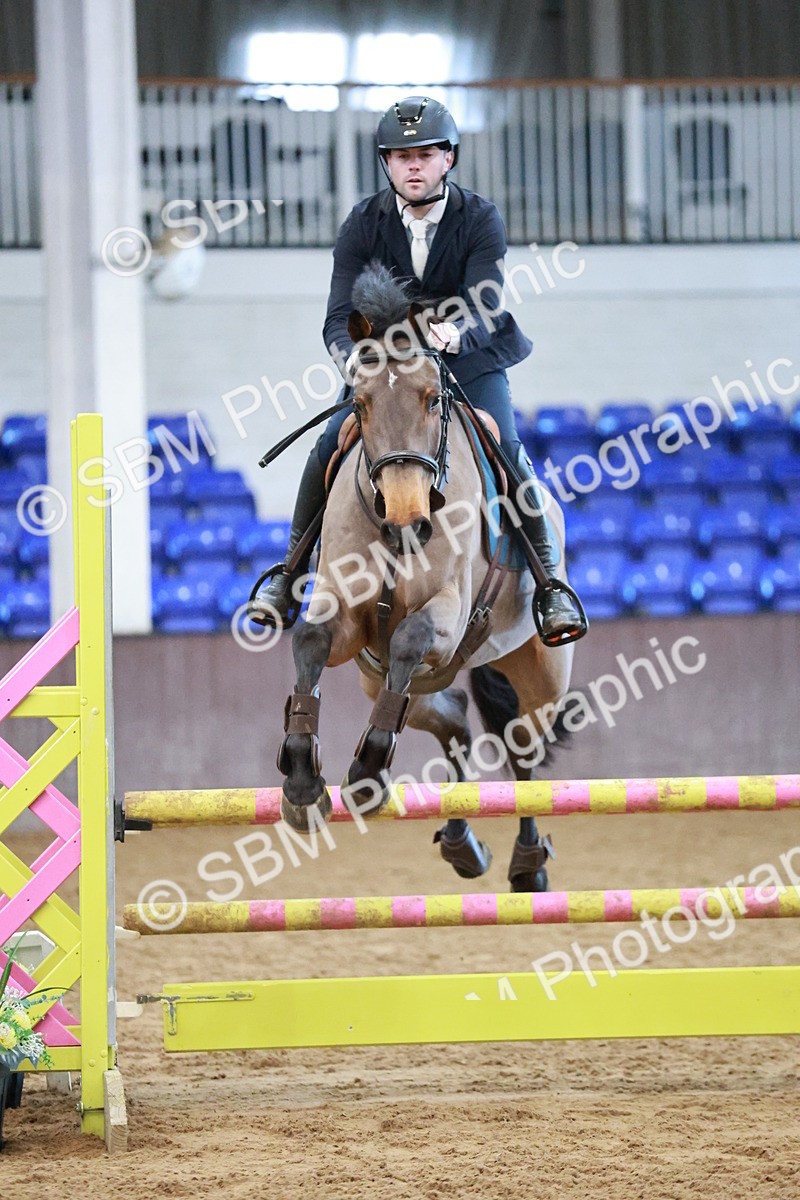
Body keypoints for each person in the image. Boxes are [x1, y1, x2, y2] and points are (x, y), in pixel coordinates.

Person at [256, 94, 584, 643]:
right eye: (401, 155)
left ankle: (550, 583)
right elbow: (339, 317)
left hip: (470, 356)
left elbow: (487, 300)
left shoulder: (480, 217)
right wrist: (355, 360)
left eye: (426, 154)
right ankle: (288, 577)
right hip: (389, 368)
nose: (414, 165)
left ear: (448, 159)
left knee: (505, 448)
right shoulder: (362, 223)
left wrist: (455, 332)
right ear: (385, 163)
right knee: (326, 446)